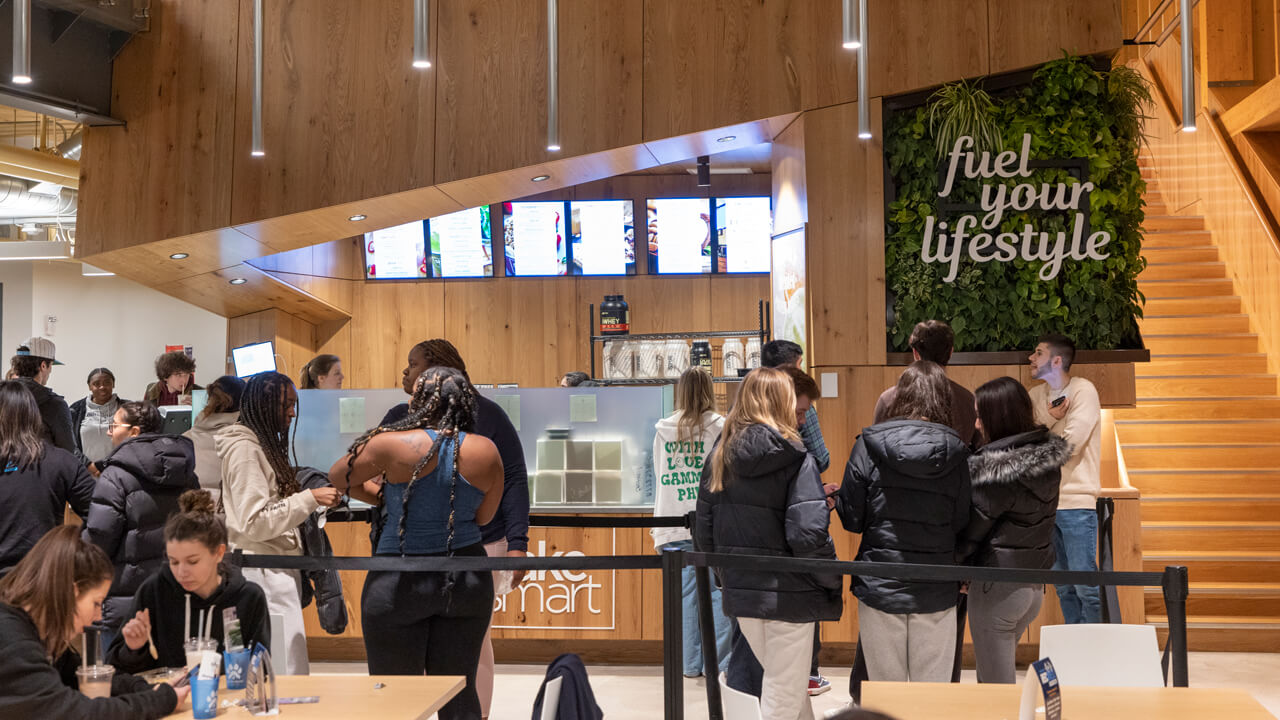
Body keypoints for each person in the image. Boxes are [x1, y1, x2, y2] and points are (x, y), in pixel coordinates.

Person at [330, 366, 504, 720]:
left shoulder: (389, 444)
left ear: (418, 402)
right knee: (459, 691)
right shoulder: (486, 450)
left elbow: (338, 477)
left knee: (394, 699)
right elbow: (484, 518)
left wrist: (390, 499)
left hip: (398, 579)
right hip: (466, 579)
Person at [379, 339, 529, 719]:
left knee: (473, 646)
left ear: (435, 369)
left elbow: (513, 478)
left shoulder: (488, 414)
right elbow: (378, 476)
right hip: (408, 548)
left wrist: (518, 543)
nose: (406, 371)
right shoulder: (398, 414)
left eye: (412, 364)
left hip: (480, 543)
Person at [695, 367, 842, 720]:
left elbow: (705, 533)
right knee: (784, 695)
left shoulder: (719, 457)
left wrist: (727, 578)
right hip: (790, 596)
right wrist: (831, 578)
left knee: (784, 690)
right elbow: (808, 535)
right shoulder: (796, 458)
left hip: (743, 594)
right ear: (779, 403)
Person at [833, 361, 970, 683]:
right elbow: (961, 520)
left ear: (900, 396)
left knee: (886, 694)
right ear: (943, 399)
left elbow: (851, 519)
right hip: (937, 586)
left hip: (880, 584)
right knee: (931, 702)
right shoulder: (957, 452)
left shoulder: (868, 445)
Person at [216, 371, 342, 675]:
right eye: (285, 404)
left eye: (294, 403)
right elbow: (255, 522)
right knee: (281, 674)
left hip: (272, 569)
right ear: (262, 404)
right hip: (262, 573)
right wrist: (308, 499)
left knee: (284, 670)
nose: (292, 412)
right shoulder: (245, 450)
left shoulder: (257, 445)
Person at [0, 525, 186, 718]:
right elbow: (76, 712)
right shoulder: (13, 641)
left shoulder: (38, 634)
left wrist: (148, 689)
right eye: (97, 603)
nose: (98, 617)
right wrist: (158, 701)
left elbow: (85, 676)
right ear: (72, 592)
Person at [960, 377, 1068, 683]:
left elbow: (973, 530)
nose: (977, 423)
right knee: (1001, 680)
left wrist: (956, 567)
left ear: (997, 417)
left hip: (998, 587)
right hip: (1032, 587)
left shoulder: (997, 471)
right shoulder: (1045, 460)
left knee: (996, 688)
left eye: (981, 415)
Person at [107, 489, 271, 673]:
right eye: (173, 561)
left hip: (229, 700)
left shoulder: (248, 598)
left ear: (218, 553)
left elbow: (260, 669)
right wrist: (133, 648)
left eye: (192, 561)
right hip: (166, 699)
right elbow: (116, 669)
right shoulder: (154, 591)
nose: (181, 572)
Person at [82, 401, 199, 650]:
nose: (109, 432)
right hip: (178, 595)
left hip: (126, 605)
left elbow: (99, 540)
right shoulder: (186, 472)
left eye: (114, 426)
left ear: (134, 432)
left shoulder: (115, 476)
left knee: (121, 681)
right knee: (172, 682)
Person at [761, 339, 831, 694]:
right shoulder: (798, 437)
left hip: (751, 560)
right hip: (794, 531)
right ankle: (810, 671)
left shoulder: (741, 419)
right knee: (802, 603)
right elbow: (821, 456)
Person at [651, 367, 730, 678]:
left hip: (671, 522)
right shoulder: (721, 427)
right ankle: (720, 665)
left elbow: (659, 474)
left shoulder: (662, 430)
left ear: (679, 391)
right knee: (718, 594)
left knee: (684, 599)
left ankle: (688, 665)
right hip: (711, 523)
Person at [1028, 333, 1102, 624]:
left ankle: (1095, 653)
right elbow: (1025, 439)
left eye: (1038, 353)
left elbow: (1070, 446)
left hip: (1076, 503)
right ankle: (1075, 648)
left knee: (1086, 587)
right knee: (1063, 587)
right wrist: (1048, 416)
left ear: (1056, 360)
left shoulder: (1083, 390)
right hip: (1044, 505)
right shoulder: (1035, 396)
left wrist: (1034, 455)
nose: (1031, 359)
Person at [0, 381, 95, 576]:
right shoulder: (62, 461)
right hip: (45, 578)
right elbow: (100, 515)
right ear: (34, 415)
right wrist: (71, 554)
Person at [874, 320, 977, 446]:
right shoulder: (967, 400)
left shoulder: (888, 399)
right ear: (950, 353)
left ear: (915, 353)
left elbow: (876, 448)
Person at [184, 375, 246, 505]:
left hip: (189, 516)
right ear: (246, 404)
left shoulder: (184, 439)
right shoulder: (243, 443)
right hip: (226, 518)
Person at [11, 337, 75, 454]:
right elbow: (67, 452)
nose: (50, 371)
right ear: (43, 366)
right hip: (40, 470)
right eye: (51, 365)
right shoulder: (55, 405)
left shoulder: (4, 395)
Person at [69, 368, 129, 476]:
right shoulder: (75, 410)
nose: (102, 387)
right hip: (85, 473)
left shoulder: (127, 408)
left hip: (119, 472)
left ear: (113, 384)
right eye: (96, 384)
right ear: (89, 386)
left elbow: (134, 440)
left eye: (107, 383)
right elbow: (70, 444)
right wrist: (89, 466)